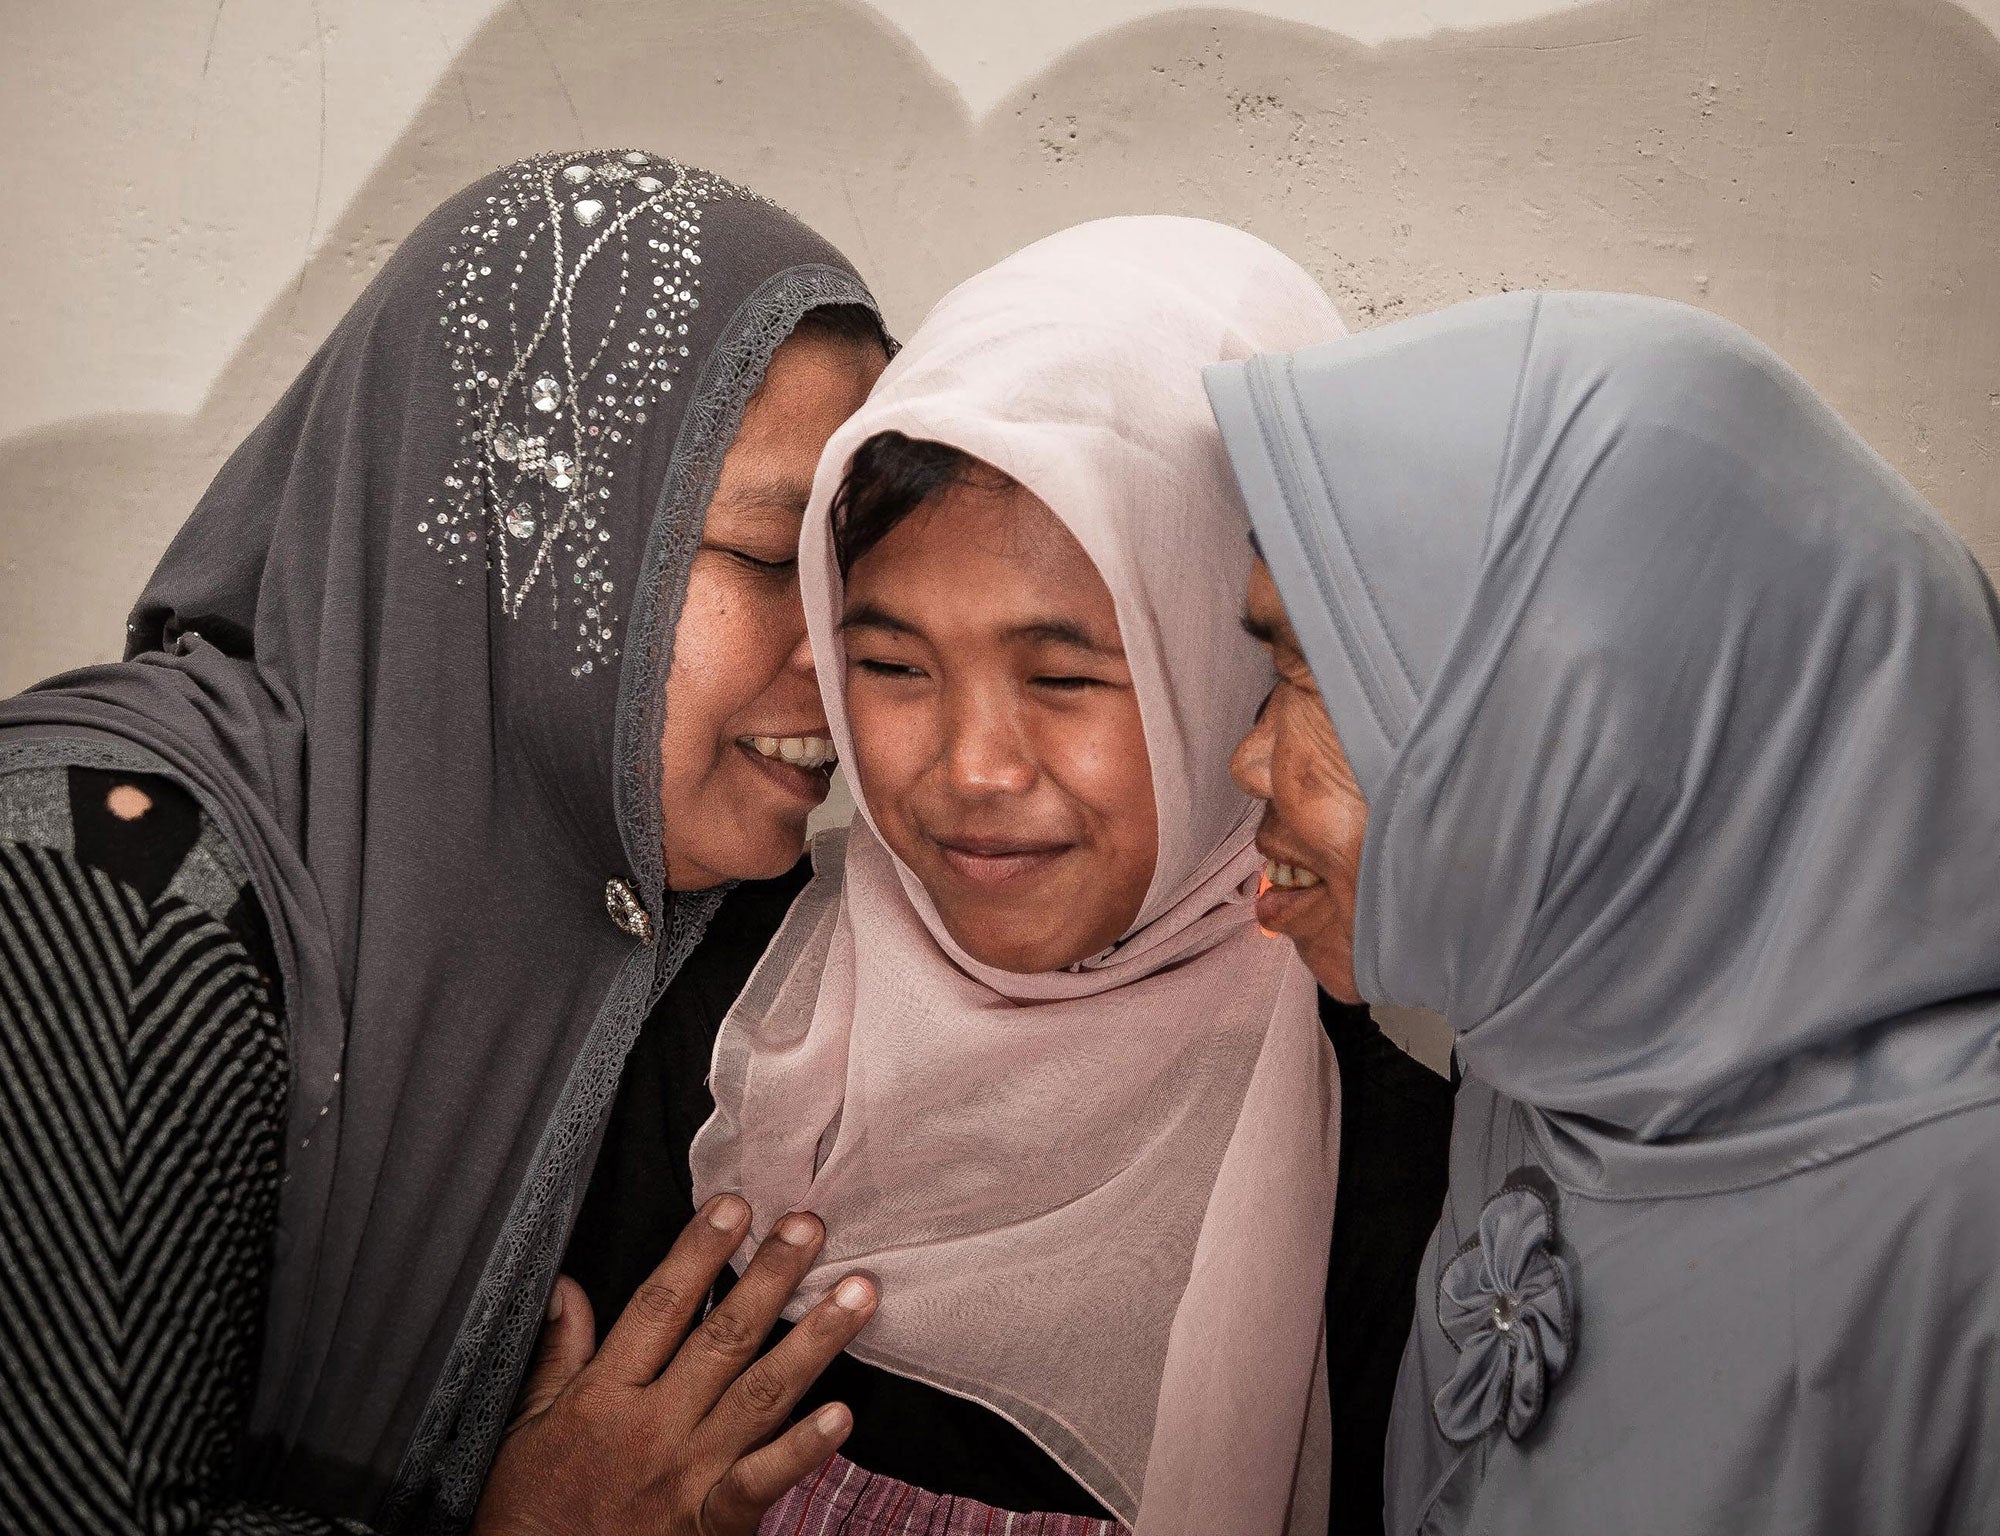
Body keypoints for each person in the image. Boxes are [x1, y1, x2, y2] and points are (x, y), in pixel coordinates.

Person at [0, 150, 896, 1535]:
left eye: (853, 590)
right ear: (534, 549)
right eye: (775, 561)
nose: (837, 665)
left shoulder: (652, 943)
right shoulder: (103, 883)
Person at [689, 216, 1448, 1536]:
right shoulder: (698, 1023)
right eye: (891, 667)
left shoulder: (1400, 1207)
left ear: (1242, 664)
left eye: (1065, 678)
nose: (974, 769)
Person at [1210, 290, 2000, 1532]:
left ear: (1594, 727)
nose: (1250, 759)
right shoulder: (1549, 1052)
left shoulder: (1962, 1229)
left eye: (1312, 683)